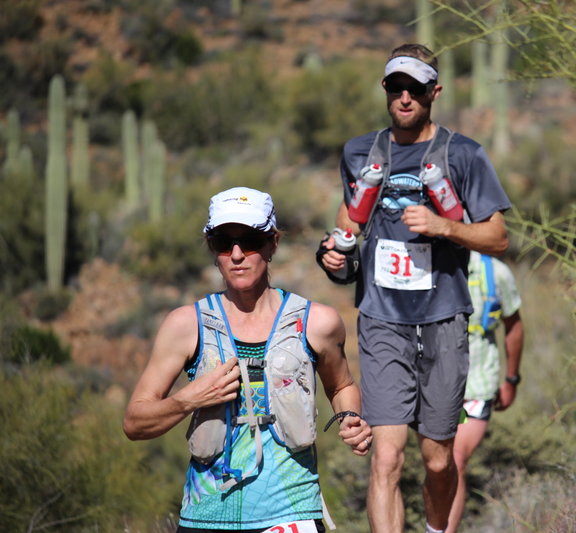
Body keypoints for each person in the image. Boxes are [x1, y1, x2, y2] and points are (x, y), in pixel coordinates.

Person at [318, 44, 512, 533]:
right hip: (382, 320)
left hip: (444, 317)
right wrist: (334, 257)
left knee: (439, 461)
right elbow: (347, 229)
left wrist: (444, 227)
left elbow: (498, 237)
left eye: (416, 88)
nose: (405, 97)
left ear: (435, 91)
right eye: (395, 87)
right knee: (386, 460)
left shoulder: (463, 154)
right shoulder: (360, 152)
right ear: (385, 90)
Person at [123, 186, 372, 533]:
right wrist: (190, 398)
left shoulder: (317, 323)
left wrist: (350, 417)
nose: (237, 254)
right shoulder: (185, 325)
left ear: (273, 243)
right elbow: (135, 423)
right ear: (212, 249)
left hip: (291, 513)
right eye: (224, 242)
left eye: (250, 240)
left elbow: (342, 384)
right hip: (205, 516)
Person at [446, 251, 524, 533]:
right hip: (432, 384)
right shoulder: (425, 264)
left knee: (455, 458)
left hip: (477, 384)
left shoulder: (496, 273)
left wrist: (511, 380)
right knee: (436, 462)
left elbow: (514, 326)